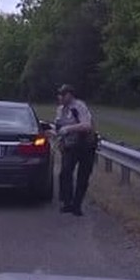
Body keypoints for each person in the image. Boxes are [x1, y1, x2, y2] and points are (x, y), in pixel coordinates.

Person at [54, 84, 97, 216]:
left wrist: (69, 129)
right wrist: (60, 139)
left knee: (83, 176)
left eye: (63, 94)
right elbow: (58, 127)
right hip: (70, 146)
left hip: (85, 145)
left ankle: (77, 205)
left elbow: (87, 126)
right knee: (65, 173)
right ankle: (67, 202)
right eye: (59, 94)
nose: (60, 97)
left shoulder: (79, 106)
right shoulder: (61, 110)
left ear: (70, 95)